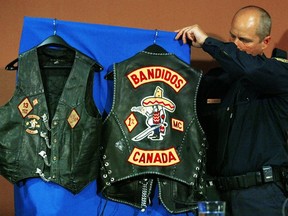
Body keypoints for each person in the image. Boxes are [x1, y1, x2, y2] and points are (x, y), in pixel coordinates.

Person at [175, 5, 288, 216]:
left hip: (261, 197)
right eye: (232, 36)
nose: (235, 45)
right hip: (216, 195)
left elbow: (250, 68)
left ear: (265, 42)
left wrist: (208, 43)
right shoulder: (221, 79)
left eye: (244, 40)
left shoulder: (280, 74)